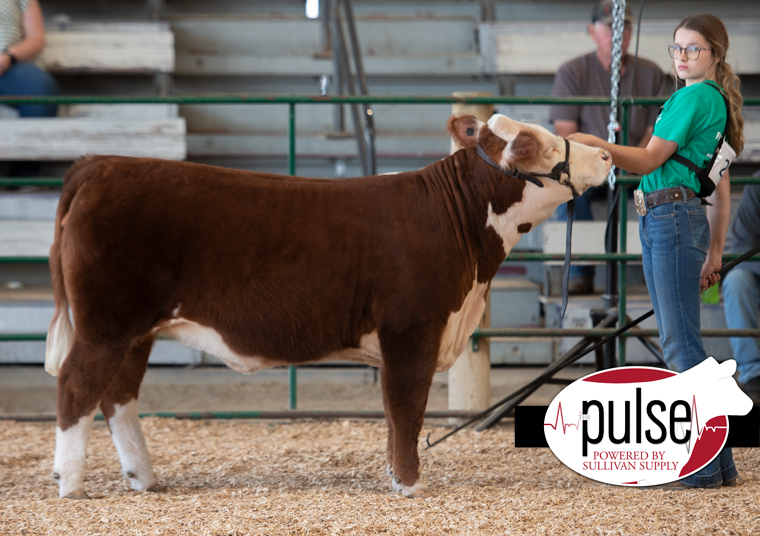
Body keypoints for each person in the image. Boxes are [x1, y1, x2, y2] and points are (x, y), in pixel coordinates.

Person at [568, 13, 744, 489]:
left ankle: (704, 469)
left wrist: (595, 144)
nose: (683, 56)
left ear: (715, 55)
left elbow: (647, 160)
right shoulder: (710, 101)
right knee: (686, 343)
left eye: (693, 49)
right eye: (677, 48)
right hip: (674, 218)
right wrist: (715, 252)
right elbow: (719, 189)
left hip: (668, 218)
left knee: (680, 346)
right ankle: (719, 465)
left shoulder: (694, 97)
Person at [550, 0, 666, 293]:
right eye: (611, 26)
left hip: (639, 165)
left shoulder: (651, 72)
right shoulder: (573, 71)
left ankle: (663, 272)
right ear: (592, 31)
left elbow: (657, 131)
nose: (620, 33)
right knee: (566, 190)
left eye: (626, 26)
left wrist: (632, 159)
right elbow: (565, 133)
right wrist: (601, 159)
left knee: (670, 189)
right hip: (589, 165)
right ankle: (580, 273)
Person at [0, 0, 59, 176]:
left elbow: (35, 38)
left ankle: (23, 176)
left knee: (41, 88)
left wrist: (8, 58)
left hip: (8, 65)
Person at [722, 182, 760, 404]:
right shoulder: (757, 184)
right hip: (756, 271)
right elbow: (742, 248)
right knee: (736, 282)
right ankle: (753, 373)